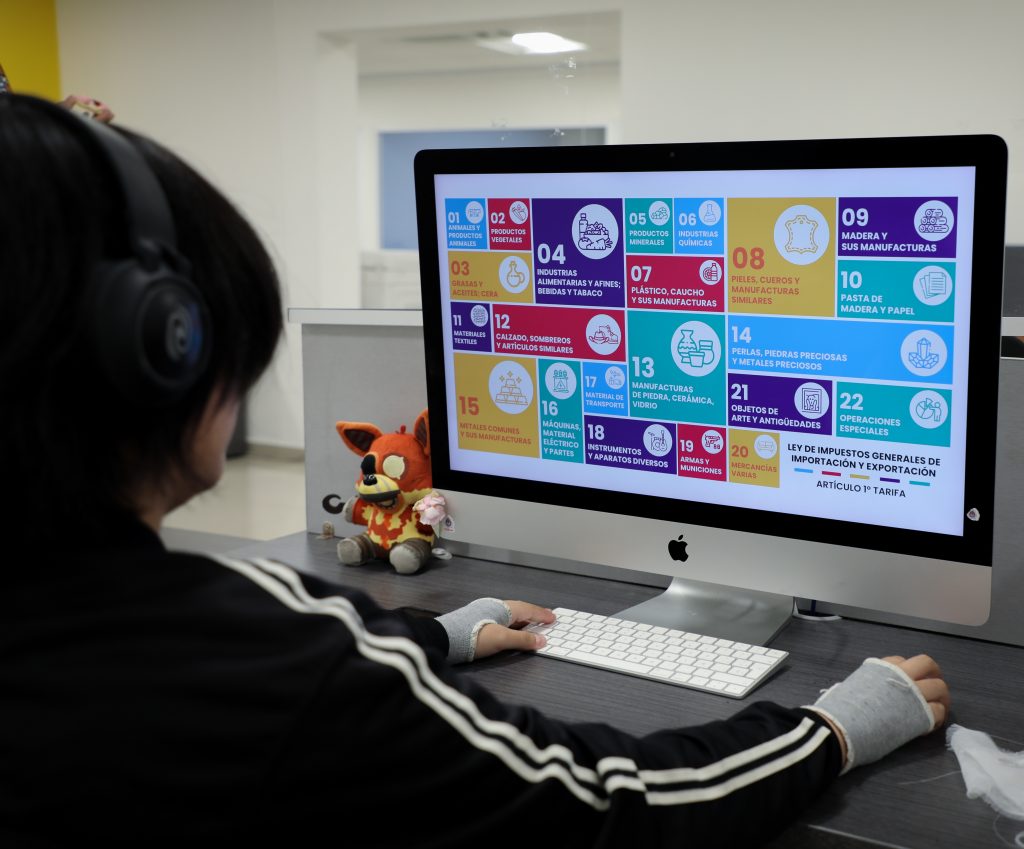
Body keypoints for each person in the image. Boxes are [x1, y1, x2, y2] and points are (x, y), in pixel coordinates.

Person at [0, 93, 950, 847]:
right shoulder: (251, 664)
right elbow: (615, 804)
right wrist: (832, 728)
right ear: (161, 346)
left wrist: (433, 637)